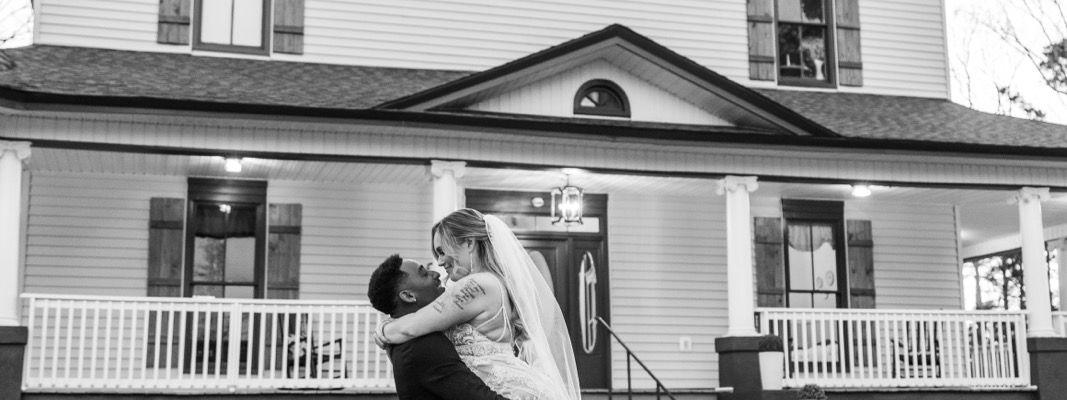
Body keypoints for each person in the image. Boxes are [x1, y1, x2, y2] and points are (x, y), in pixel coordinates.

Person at [375, 208, 580, 400]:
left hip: (512, 393)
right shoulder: (490, 282)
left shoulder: (477, 285)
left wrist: (383, 330)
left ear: (469, 243)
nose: (440, 261)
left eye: (442, 251)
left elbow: (413, 326)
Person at [367, 254, 509, 400]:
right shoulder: (423, 346)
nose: (435, 274)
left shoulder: (405, 340)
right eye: (424, 274)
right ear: (408, 296)